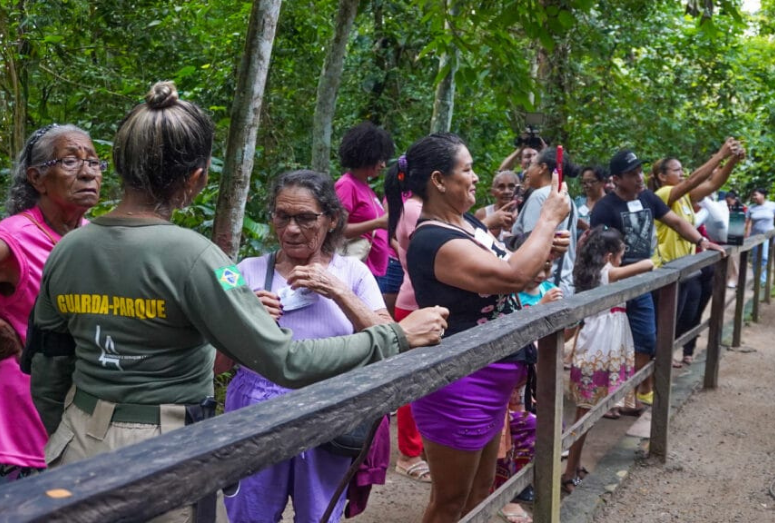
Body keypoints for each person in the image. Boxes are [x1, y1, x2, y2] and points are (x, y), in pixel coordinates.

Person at [26, 82, 448, 522]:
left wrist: (61, 431)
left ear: (117, 165)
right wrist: (395, 335)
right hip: (162, 449)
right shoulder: (201, 259)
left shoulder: (67, 249)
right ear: (197, 176)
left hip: (76, 441)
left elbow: (49, 365)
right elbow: (285, 360)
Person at [384, 132, 570, 523]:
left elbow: (521, 272)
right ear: (438, 180)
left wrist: (546, 247)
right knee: (449, 501)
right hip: (459, 384)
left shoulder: (468, 223)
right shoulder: (432, 239)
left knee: (481, 494)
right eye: (467, 169)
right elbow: (511, 276)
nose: (474, 177)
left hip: (494, 376)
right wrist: (548, 219)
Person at [223, 169, 393, 522]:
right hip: (254, 409)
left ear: (331, 220)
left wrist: (337, 291)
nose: (292, 229)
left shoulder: (353, 274)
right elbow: (216, 365)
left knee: (320, 514)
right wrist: (247, 321)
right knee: (249, 513)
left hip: (327, 407)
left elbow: (390, 339)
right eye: (282, 216)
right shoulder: (245, 271)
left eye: (305, 218)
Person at [0, 124, 103, 482]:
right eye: (71, 161)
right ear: (37, 178)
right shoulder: (14, 237)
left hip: (79, 421)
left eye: (94, 162)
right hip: (20, 429)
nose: (89, 172)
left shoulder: (94, 237)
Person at [590, 149, 722, 407]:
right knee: (612, 341)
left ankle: (633, 390)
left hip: (646, 280)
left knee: (648, 339)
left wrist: (701, 240)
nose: (639, 178)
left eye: (640, 171)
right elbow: (596, 252)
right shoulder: (605, 208)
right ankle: (611, 398)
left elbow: (676, 222)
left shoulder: (649, 198)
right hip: (617, 283)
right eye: (631, 174)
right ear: (616, 179)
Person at [562, 226, 654, 494]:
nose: (624, 257)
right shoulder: (609, 273)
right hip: (601, 345)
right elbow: (648, 264)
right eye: (622, 252)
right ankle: (569, 473)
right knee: (586, 409)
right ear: (610, 254)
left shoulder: (592, 273)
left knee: (587, 409)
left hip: (599, 340)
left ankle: (574, 466)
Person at [648, 140, 741, 366]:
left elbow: (711, 185)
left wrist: (732, 161)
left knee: (680, 322)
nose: (682, 174)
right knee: (662, 327)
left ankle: (659, 369)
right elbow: (693, 181)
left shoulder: (685, 199)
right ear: (662, 176)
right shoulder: (663, 194)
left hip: (685, 269)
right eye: (676, 170)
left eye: (683, 170)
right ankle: (650, 379)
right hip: (666, 271)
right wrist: (720, 155)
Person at [383, 175, 430, 483]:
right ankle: (408, 454)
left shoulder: (404, 205)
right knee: (415, 380)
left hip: (416, 299)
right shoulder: (413, 208)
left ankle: (418, 447)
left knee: (424, 379)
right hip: (415, 303)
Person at [512, 147, 580, 298]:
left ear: (542, 168)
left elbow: (530, 242)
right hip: (563, 284)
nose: (527, 171)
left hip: (541, 287)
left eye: (532, 164)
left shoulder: (540, 196)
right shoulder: (566, 198)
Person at [335, 122, 394, 282]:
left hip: (374, 270)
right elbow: (337, 229)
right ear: (366, 156)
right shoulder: (347, 185)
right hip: (357, 270)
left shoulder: (366, 187)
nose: (383, 165)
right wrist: (377, 223)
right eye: (379, 159)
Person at [474, 171, 519, 241]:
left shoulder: (523, 212)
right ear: (493, 192)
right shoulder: (483, 213)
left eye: (511, 187)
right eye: (501, 187)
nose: (506, 191)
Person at [745, 188, 775, 285]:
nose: (754, 197)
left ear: (763, 195)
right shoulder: (751, 208)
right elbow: (747, 223)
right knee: (755, 259)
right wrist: (746, 236)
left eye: (756, 195)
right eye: (753, 195)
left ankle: (763, 281)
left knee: (764, 257)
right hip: (755, 237)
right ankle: (757, 280)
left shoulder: (772, 206)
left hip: (769, 236)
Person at [574, 165, 608, 231]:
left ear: (602, 182)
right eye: (584, 182)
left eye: (591, 182)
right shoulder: (579, 202)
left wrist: (587, 227)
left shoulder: (609, 204)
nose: (587, 185)